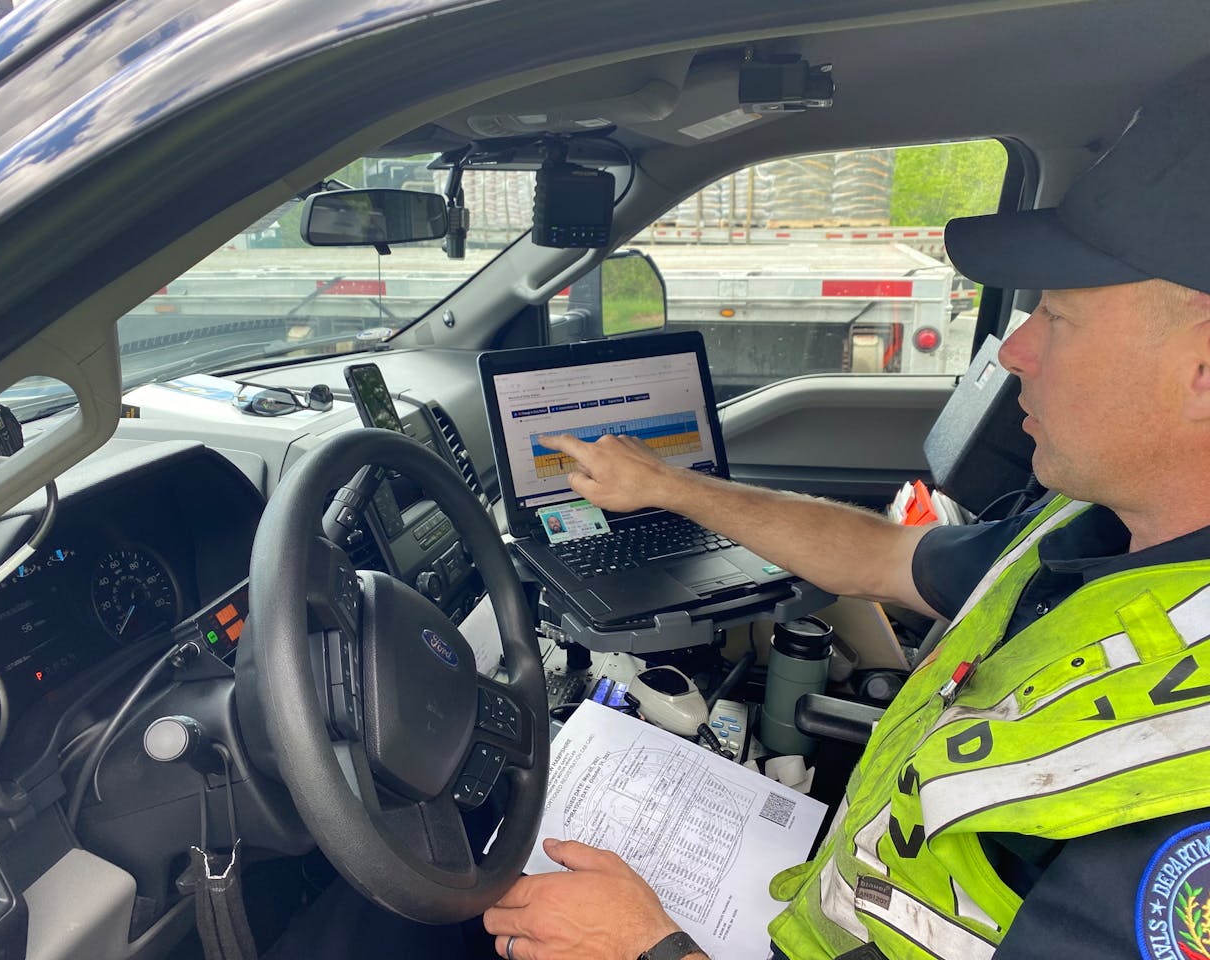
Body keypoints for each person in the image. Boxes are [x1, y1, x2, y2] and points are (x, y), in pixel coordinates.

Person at [483, 59, 1210, 960]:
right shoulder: (1088, 528)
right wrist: (670, 487)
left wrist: (649, 948)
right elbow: (878, 556)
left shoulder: (1182, 808)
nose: (1013, 350)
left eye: (1058, 318)